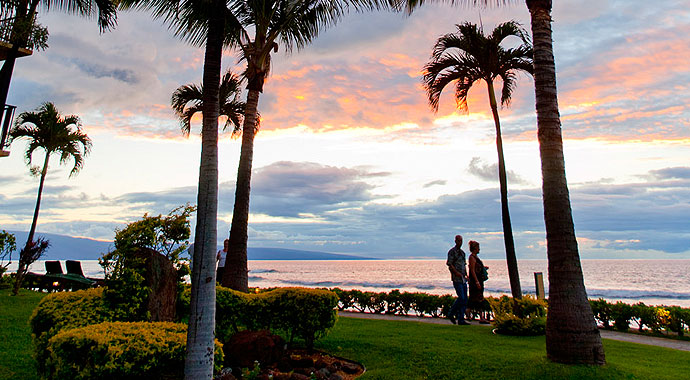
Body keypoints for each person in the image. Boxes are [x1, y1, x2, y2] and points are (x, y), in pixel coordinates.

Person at [446, 234, 469, 325]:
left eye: (461, 241)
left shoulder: (462, 253)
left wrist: (466, 275)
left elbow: (464, 265)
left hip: (463, 278)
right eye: (458, 240)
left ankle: (461, 319)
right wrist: (456, 272)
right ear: (455, 241)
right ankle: (451, 313)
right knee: (461, 297)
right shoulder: (452, 252)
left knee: (464, 299)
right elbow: (449, 264)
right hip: (456, 279)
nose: (460, 242)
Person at [468, 240, 490, 324]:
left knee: (478, 298)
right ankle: (479, 316)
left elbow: (477, 268)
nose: (479, 249)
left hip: (479, 280)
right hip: (475, 281)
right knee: (476, 298)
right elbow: (472, 270)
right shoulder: (472, 258)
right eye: (478, 248)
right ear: (474, 248)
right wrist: (476, 281)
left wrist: (483, 268)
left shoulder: (476, 257)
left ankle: (477, 315)